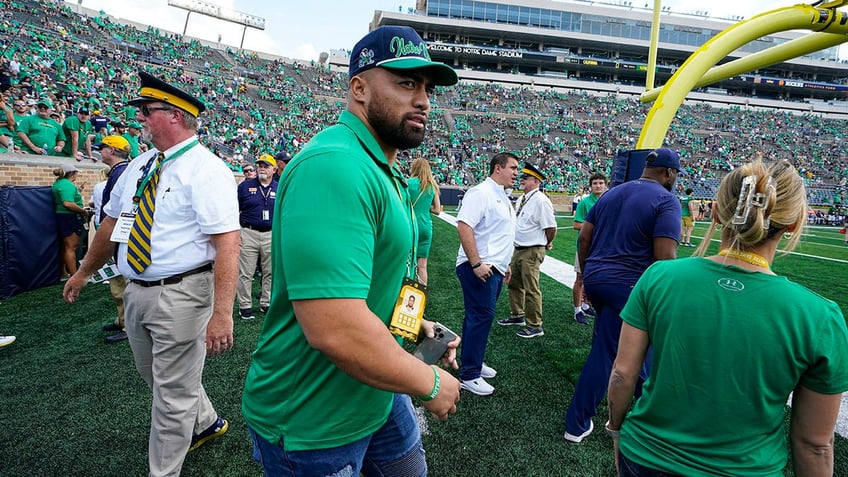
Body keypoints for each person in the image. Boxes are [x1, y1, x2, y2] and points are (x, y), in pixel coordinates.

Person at [242, 25, 461, 476]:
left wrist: (416, 324)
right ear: (358, 88)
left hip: (374, 389)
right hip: (314, 418)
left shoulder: (379, 167)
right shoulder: (335, 166)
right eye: (405, 83)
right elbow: (335, 328)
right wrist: (429, 380)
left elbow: (364, 285)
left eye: (427, 88)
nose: (422, 99)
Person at [607, 159, 848, 476]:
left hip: (646, 456)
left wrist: (615, 428)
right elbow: (815, 445)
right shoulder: (820, 316)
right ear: (793, 223)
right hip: (745, 468)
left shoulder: (659, 276)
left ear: (718, 212)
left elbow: (623, 374)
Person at [63, 71, 240, 477]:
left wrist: (223, 312)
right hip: (137, 288)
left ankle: (164, 472)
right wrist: (85, 272)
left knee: (171, 395)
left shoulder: (207, 169)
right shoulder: (141, 165)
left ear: (175, 115)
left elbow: (228, 243)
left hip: (182, 293)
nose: (140, 117)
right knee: (158, 379)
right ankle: (206, 421)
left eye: (147, 110)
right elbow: (111, 224)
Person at [563, 147, 682, 443]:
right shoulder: (667, 200)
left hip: (599, 278)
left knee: (640, 352)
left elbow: (584, 237)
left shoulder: (611, 194)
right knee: (608, 354)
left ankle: (647, 413)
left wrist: (588, 276)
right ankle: (577, 423)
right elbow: (665, 257)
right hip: (630, 286)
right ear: (669, 173)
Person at [455, 152, 519, 396]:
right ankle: (469, 374)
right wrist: (476, 263)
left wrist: (505, 263)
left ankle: (474, 362)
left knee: (481, 317)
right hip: (480, 268)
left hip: (494, 266)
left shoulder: (499, 195)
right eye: (512, 167)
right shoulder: (481, 192)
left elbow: (496, 234)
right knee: (480, 316)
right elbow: (465, 225)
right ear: (497, 168)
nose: (516, 172)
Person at [497, 162, 556, 339]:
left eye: (525, 178)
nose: (521, 180)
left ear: (536, 181)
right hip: (518, 248)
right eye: (521, 177)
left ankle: (535, 325)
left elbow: (551, 227)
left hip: (531, 250)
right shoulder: (524, 198)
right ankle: (517, 315)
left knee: (531, 288)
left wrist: (546, 242)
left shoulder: (541, 201)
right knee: (514, 284)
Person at [91, 135, 132, 343]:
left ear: (113, 151)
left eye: (104, 148)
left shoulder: (122, 173)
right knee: (117, 281)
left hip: (120, 235)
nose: (101, 151)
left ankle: (128, 325)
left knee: (123, 281)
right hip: (116, 233)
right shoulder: (121, 171)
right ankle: (122, 319)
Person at [236, 153, 278, 320]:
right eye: (259, 165)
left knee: (269, 272)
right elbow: (234, 210)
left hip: (270, 233)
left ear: (274, 169)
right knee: (246, 272)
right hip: (248, 232)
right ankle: (245, 305)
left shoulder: (279, 187)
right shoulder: (245, 187)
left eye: (266, 165)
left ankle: (266, 302)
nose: (261, 168)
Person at [571, 173, 607, 325]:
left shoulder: (608, 201)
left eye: (601, 183)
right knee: (580, 278)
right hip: (585, 246)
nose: (598, 186)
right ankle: (577, 309)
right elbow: (576, 224)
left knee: (593, 278)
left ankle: (586, 305)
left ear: (605, 185)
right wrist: (595, 226)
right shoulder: (584, 202)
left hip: (602, 247)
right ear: (590, 186)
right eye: (595, 183)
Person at [408, 157, 441, 285]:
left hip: (411, 225)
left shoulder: (408, 183)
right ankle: (420, 296)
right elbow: (437, 210)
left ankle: (404, 292)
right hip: (426, 226)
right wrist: (427, 207)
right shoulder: (432, 186)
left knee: (407, 262)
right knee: (422, 265)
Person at [52, 163, 87, 279]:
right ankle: (74, 276)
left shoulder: (59, 183)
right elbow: (67, 203)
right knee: (71, 247)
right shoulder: (67, 185)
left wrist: (80, 189)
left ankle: (64, 272)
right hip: (69, 217)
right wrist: (82, 211)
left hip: (62, 216)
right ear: (72, 174)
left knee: (65, 246)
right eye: (76, 173)